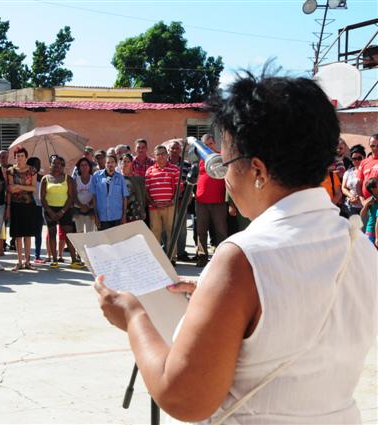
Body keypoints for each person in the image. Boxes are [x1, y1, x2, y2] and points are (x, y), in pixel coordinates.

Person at [94, 72, 377, 424]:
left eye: (225, 164)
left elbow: (184, 397)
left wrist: (133, 316)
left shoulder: (243, 257)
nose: (224, 178)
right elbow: (301, 308)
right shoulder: (361, 247)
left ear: (257, 169)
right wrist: (221, 298)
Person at [41, 155, 82, 269]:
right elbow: (42, 198)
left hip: (65, 209)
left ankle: (74, 260)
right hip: (50, 210)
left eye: (59, 163)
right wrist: (50, 211)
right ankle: (54, 260)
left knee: (69, 234)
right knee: (52, 234)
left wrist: (63, 211)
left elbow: (71, 197)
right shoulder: (46, 179)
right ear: (50, 165)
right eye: (54, 163)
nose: (56, 165)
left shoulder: (68, 178)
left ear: (63, 166)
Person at [194, 134, 228, 267]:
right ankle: (202, 257)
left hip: (218, 200)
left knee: (221, 230)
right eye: (206, 145)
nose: (209, 147)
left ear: (215, 144)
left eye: (211, 144)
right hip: (201, 200)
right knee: (201, 231)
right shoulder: (199, 158)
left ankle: (222, 258)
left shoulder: (221, 157)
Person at [145, 144, 180, 256]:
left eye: (163, 154)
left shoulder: (174, 169)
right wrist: (152, 202)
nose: (161, 156)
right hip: (154, 207)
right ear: (154, 156)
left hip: (170, 206)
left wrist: (173, 201)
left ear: (167, 154)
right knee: (155, 232)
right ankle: (156, 257)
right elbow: (146, 189)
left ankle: (172, 257)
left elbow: (179, 187)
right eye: (158, 154)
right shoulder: (149, 171)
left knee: (171, 232)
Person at [7, 147, 37, 271]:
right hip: (15, 204)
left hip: (29, 204)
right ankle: (19, 261)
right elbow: (10, 189)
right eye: (17, 156)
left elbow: (34, 188)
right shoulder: (11, 171)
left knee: (28, 234)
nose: (19, 158)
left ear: (26, 157)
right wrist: (25, 187)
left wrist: (18, 186)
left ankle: (28, 261)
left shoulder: (32, 170)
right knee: (18, 234)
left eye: (22, 156)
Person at [167, 139, 194, 261]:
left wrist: (188, 199)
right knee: (167, 228)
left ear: (181, 150)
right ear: (168, 150)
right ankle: (168, 251)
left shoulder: (187, 165)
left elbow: (190, 185)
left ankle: (181, 252)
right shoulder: (163, 164)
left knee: (182, 228)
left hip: (181, 202)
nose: (174, 150)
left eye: (177, 148)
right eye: (172, 148)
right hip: (167, 202)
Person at [91, 154, 128, 230]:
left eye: (112, 162)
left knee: (117, 240)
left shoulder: (120, 178)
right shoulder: (96, 176)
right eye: (108, 162)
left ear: (116, 164)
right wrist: (96, 216)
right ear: (105, 164)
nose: (110, 164)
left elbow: (124, 197)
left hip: (117, 217)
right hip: (102, 217)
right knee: (104, 241)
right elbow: (94, 197)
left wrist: (124, 216)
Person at [27, 157, 45, 264]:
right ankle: (27, 255)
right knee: (28, 232)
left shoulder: (43, 178)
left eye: (39, 164)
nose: (37, 166)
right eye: (35, 164)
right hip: (29, 206)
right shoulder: (27, 178)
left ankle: (37, 255)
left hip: (39, 207)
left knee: (38, 232)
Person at [119, 153, 146, 223]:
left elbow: (141, 195)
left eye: (128, 162)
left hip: (135, 210)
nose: (126, 164)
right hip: (120, 210)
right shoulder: (116, 178)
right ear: (120, 163)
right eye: (124, 161)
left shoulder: (137, 178)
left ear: (131, 163)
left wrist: (143, 210)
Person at [73, 157, 96, 233]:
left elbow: (95, 194)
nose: (84, 167)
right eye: (82, 165)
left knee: (90, 232)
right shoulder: (76, 179)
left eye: (86, 165)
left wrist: (88, 205)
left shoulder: (94, 179)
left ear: (89, 167)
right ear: (79, 168)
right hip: (78, 208)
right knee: (79, 232)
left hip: (91, 208)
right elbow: (74, 195)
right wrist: (81, 205)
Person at [341, 146, 365, 217]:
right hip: (350, 207)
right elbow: (343, 188)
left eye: (359, 158)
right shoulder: (348, 172)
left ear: (364, 158)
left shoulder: (367, 171)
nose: (357, 161)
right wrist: (352, 197)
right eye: (354, 159)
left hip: (365, 207)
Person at [358, 134, 378, 213]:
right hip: (367, 205)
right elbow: (358, 184)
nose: (375, 148)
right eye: (373, 146)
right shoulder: (364, 162)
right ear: (369, 145)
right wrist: (363, 201)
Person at [360, 178, 378, 247]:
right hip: (370, 230)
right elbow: (362, 215)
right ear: (372, 189)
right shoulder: (370, 200)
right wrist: (366, 205)